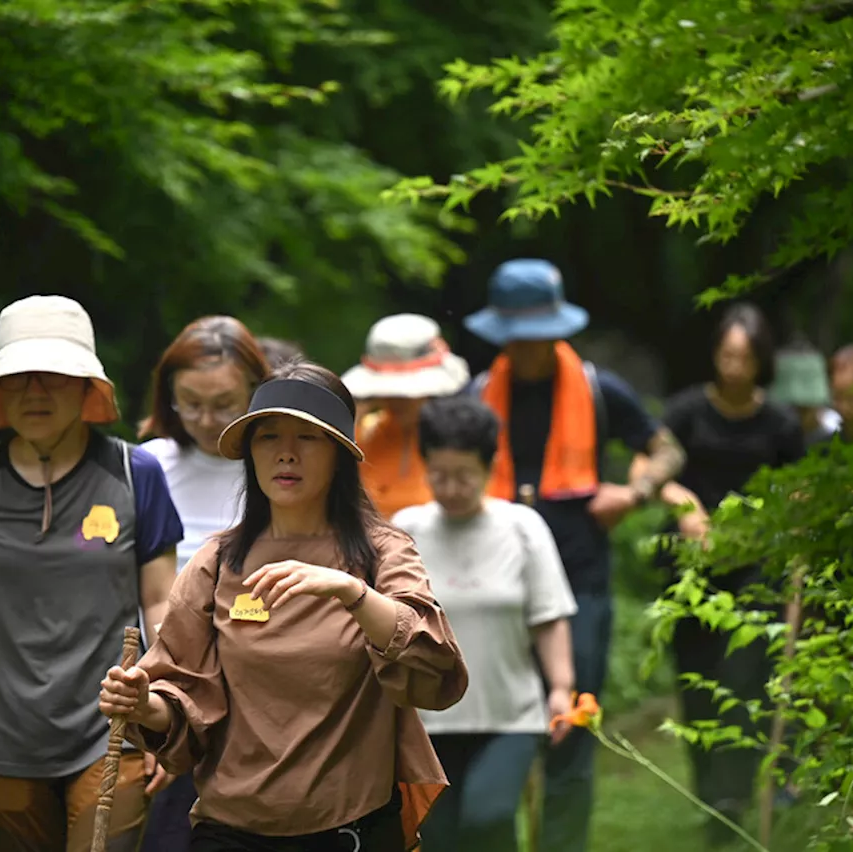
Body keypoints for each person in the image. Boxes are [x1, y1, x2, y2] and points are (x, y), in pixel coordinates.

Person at [99, 361, 469, 851]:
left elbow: (435, 666)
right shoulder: (216, 562)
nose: (286, 454)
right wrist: (143, 705)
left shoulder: (382, 553)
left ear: (339, 453)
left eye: (308, 438)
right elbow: (184, 698)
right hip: (230, 831)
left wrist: (351, 593)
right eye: (268, 437)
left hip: (348, 831)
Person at [0, 295, 183, 852]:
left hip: (115, 733)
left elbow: (161, 601)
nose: (36, 392)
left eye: (54, 377)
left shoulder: (135, 475)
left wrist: (168, 713)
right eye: (19, 378)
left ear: (86, 388)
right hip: (3, 737)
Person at [463, 258, 685, 852]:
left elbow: (667, 450)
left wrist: (633, 493)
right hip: (496, 586)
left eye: (541, 332)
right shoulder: (476, 397)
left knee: (573, 727)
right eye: (519, 335)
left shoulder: (598, 388)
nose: (530, 346)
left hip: (580, 583)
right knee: (495, 727)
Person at [650, 303, 805, 845]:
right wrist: (682, 501)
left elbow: (799, 490)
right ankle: (710, 791)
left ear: (760, 361)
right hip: (692, 567)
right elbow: (650, 470)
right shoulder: (687, 411)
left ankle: (733, 795)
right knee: (696, 680)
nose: (734, 366)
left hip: (756, 569)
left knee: (744, 676)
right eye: (726, 355)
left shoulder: (782, 423)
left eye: (745, 357)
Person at [393, 395, 576, 852]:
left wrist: (561, 686)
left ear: (490, 465)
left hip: (510, 714)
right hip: (427, 721)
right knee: (436, 838)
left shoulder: (522, 526)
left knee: (487, 819)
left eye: (464, 476)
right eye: (439, 475)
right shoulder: (406, 529)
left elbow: (548, 615)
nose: (451, 488)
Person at [137, 316, 272, 852]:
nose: (205, 419)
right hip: (173, 679)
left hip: (264, 678)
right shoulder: (149, 464)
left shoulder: (277, 464)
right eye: (189, 403)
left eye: (224, 404)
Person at [343, 314, 470, 518]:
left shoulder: (463, 438)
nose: (395, 400)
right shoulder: (364, 433)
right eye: (388, 391)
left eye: (404, 394)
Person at [770, 343, 841, 447]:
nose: (798, 418)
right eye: (793, 409)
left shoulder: (834, 427)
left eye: (804, 410)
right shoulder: (776, 429)